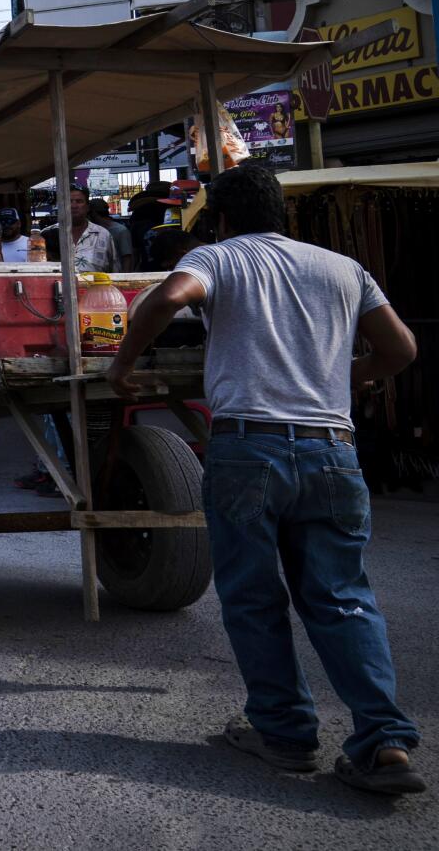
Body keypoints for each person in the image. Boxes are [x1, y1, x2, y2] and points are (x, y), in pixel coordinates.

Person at [108, 164, 423, 796]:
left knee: (254, 599)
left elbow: (165, 300)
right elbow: (401, 352)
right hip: (332, 450)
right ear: (281, 213)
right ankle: (384, 741)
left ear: (222, 218)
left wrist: (123, 366)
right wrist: (344, 378)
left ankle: (283, 733)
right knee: (342, 596)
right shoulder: (343, 268)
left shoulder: (220, 259)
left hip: (248, 449)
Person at [43, 187, 115, 272]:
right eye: (69, 201)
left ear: (87, 207)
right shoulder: (45, 235)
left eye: (79, 201)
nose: (73, 206)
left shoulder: (103, 235)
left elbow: (114, 270)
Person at [88, 198, 135, 272]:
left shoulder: (120, 231)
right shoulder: (92, 231)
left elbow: (127, 258)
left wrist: (124, 278)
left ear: (93, 214)